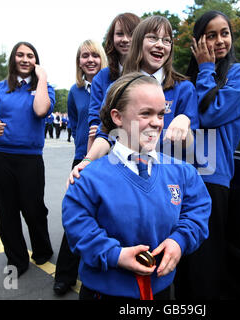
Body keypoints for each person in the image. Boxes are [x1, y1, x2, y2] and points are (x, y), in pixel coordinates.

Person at [62, 72, 211, 300]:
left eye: (161, 114)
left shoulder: (182, 172)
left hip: (160, 291)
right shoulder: (89, 178)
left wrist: (179, 241)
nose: (156, 122)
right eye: (146, 113)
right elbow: (78, 227)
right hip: (104, 293)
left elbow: (198, 211)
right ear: (117, 117)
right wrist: (115, 255)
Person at [174, 11, 240, 300]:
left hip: (212, 177)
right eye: (211, 35)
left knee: (205, 261)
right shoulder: (185, 81)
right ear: (197, 41)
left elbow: (210, 113)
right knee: (178, 257)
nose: (219, 41)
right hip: (179, 174)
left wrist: (206, 68)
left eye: (225, 33)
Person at [69, 15, 198, 183]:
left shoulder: (184, 89)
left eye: (166, 40)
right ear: (138, 43)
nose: (160, 44)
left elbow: (190, 149)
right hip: (123, 178)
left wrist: (184, 120)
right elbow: (105, 134)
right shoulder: (117, 87)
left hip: (167, 181)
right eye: (152, 37)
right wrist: (86, 162)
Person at [0, 41, 55, 276]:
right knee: (7, 211)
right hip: (0, 158)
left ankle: (43, 250)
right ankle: (17, 259)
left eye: (30, 56)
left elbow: (41, 110)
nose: (25, 59)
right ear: (13, 59)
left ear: (36, 61)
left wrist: (41, 78)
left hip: (30, 159)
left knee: (34, 210)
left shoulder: (45, 87)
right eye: (20, 55)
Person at [53, 39, 108, 296]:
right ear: (79, 62)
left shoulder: (112, 82)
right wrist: (83, 148)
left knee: (106, 217)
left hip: (109, 157)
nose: (90, 60)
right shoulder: (75, 92)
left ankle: (101, 272)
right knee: (75, 215)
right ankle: (65, 274)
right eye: (84, 56)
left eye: (94, 55)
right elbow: (75, 124)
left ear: (102, 58)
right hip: (82, 157)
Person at [87, 12, 141, 152]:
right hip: (108, 147)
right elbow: (95, 119)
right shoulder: (101, 77)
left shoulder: (147, 75)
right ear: (112, 37)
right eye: (119, 34)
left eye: (131, 34)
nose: (125, 39)